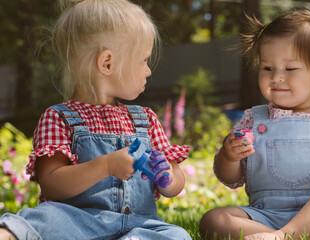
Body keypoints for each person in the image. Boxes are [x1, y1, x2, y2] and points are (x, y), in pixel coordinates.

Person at [0, 0, 192, 239]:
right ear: (107, 63)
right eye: (143, 60)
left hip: (139, 225)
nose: (148, 70)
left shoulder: (145, 119)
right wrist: (107, 165)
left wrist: (168, 179)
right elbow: (52, 184)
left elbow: (175, 182)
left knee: (176, 235)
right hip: (79, 223)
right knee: (46, 218)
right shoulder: (59, 118)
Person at [199, 2, 310, 240]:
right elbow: (230, 178)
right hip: (265, 216)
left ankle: (284, 236)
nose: (277, 77)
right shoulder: (253, 118)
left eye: (291, 68)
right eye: (267, 67)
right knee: (213, 220)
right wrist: (228, 156)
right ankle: (284, 236)